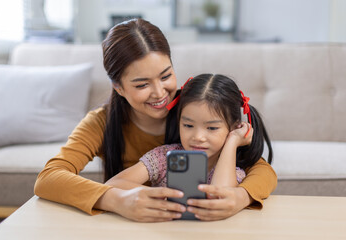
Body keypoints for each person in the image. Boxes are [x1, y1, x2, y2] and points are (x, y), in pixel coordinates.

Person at [34, 18, 277, 222]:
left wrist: (240, 197)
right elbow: (49, 178)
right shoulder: (101, 122)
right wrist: (115, 199)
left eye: (166, 75)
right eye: (142, 84)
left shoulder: (192, 110)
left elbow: (261, 170)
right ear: (118, 87)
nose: (160, 92)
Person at [105, 74, 272, 220]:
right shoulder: (164, 157)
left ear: (234, 127)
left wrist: (233, 141)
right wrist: (164, 198)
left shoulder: (232, 170)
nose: (197, 137)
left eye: (212, 128)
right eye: (188, 125)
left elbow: (219, 199)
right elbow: (115, 183)